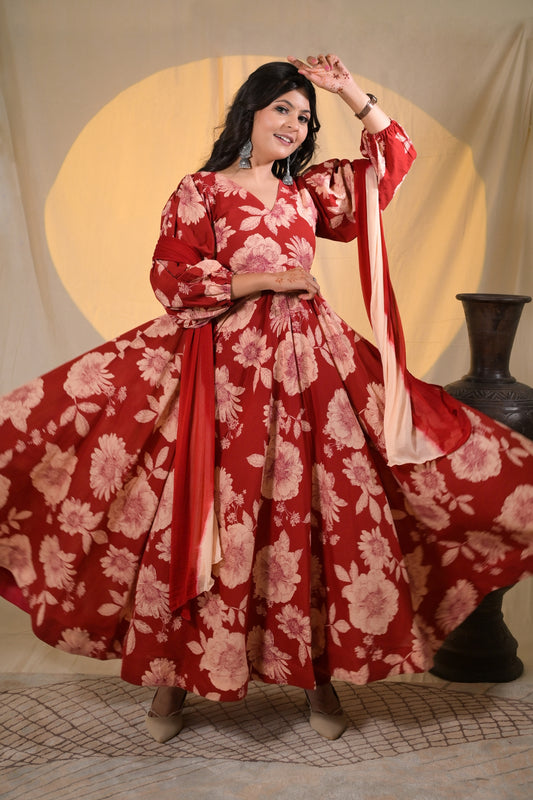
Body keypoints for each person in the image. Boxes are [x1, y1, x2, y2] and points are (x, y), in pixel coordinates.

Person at [0, 54, 532, 744]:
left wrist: (348, 91)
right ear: (249, 112)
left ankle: (316, 677)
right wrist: (266, 279)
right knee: (205, 513)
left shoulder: (309, 192)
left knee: (307, 514)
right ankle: (174, 679)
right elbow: (170, 276)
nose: (295, 123)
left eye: (305, 116)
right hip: (221, 374)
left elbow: (391, 162)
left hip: (311, 370)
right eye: (282, 108)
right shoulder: (201, 190)